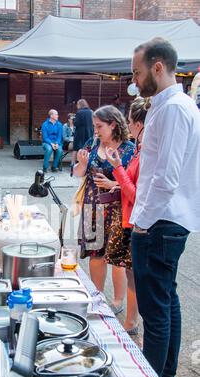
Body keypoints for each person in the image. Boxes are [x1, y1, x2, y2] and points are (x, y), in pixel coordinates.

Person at [130, 37, 200, 377]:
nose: (134, 79)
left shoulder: (174, 108)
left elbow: (166, 177)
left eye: (137, 71)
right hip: (167, 220)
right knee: (166, 303)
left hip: (160, 223)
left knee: (156, 312)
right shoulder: (170, 104)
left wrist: (142, 222)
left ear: (158, 67)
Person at [73, 105, 135, 313]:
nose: (95, 131)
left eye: (99, 126)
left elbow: (134, 182)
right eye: (94, 126)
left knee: (117, 257)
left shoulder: (128, 149)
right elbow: (78, 173)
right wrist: (81, 164)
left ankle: (117, 301)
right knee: (95, 253)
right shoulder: (92, 143)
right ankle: (97, 296)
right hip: (92, 207)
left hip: (118, 209)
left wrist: (112, 184)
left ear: (113, 124)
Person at [105, 97, 150, 334]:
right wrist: (119, 183)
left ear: (139, 123)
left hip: (135, 221)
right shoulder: (141, 149)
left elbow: (137, 195)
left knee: (135, 277)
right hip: (128, 218)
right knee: (131, 274)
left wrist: (118, 169)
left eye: (131, 122)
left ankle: (132, 322)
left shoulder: (145, 154)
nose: (129, 126)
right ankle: (131, 321)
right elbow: (129, 186)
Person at [72, 99, 94, 167]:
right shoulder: (91, 112)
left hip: (80, 133)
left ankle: (73, 164)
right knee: (87, 148)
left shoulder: (79, 112)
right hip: (89, 132)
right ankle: (85, 164)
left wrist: (73, 119)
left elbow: (76, 123)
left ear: (80, 105)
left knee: (76, 148)